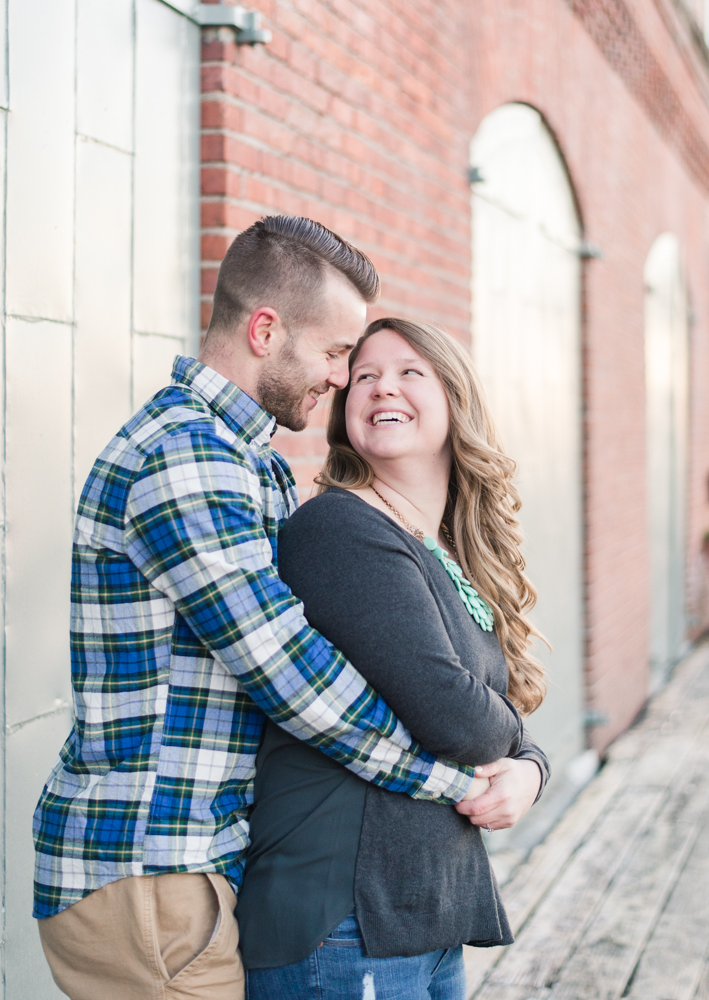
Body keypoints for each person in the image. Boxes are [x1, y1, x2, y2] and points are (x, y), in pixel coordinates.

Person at [32, 218, 501, 1000]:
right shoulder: (185, 456)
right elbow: (293, 676)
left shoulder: (254, 465)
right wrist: (451, 779)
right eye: (334, 352)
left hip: (197, 866)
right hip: (149, 866)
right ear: (263, 330)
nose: (344, 377)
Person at [238, 316, 550, 1000]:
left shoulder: (438, 544)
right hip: (342, 919)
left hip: (421, 915)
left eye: (411, 372)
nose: (384, 388)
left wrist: (530, 769)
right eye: (365, 375)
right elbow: (456, 719)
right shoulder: (340, 530)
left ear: (455, 397)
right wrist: (516, 747)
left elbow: (489, 706)